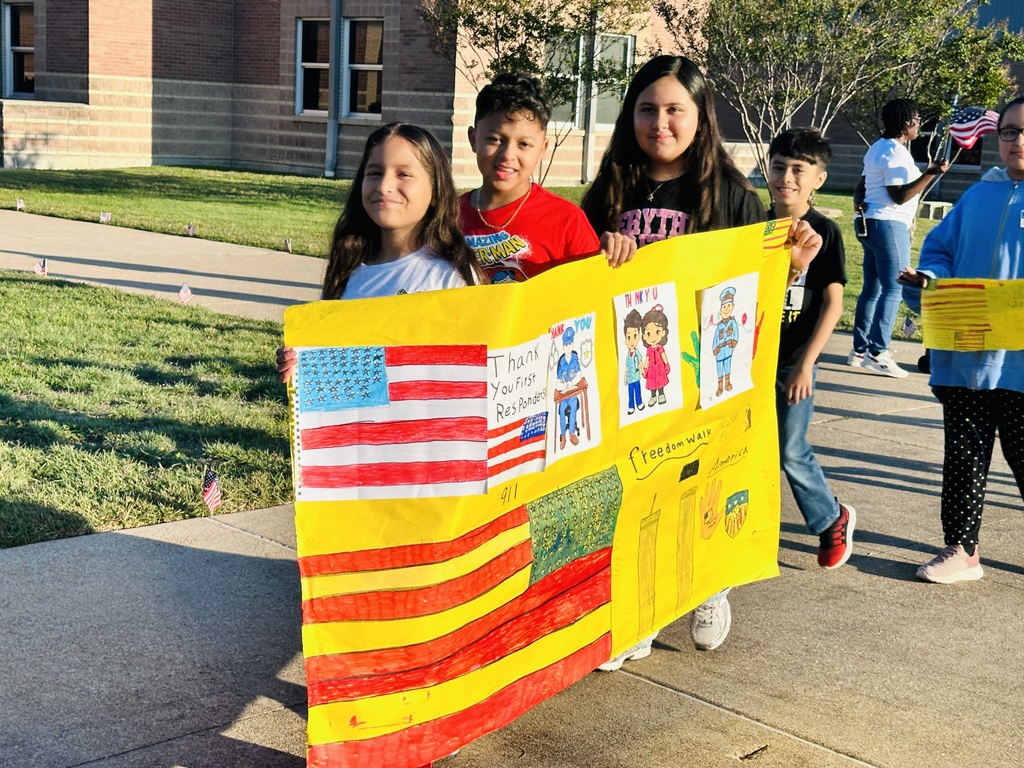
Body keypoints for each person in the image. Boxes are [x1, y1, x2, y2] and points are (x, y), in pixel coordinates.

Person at [582, 55, 822, 668]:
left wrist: (791, 272)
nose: (659, 123)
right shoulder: (608, 190)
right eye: (645, 109)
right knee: (637, 495)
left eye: (673, 111)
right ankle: (641, 612)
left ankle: (709, 583)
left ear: (700, 117)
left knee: (698, 490)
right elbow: (575, 282)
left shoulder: (735, 198)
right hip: (629, 373)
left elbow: (769, 305)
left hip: (703, 377)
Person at [899, 96, 1024, 584]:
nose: (1017, 140)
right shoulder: (977, 195)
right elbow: (940, 250)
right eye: (1010, 131)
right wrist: (929, 278)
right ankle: (962, 549)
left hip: (1018, 365)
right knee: (965, 456)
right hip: (967, 355)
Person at [276, 122, 484, 382]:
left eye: (403, 175)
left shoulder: (451, 277)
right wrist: (302, 363)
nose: (384, 186)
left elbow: (471, 375)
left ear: (435, 190)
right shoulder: (347, 272)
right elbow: (334, 366)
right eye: (374, 172)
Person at [767, 127, 856, 570]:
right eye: (779, 166)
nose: (786, 177)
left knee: (790, 449)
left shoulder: (824, 232)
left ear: (818, 178)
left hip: (794, 362)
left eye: (798, 169)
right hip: (749, 358)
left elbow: (833, 303)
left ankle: (830, 518)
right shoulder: (755, 225)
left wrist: (807, 364)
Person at [460, 72, 634, 283]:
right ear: (473, 139)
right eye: (495, 139)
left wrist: (615, 254)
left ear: (542, 150)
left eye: (524, 144)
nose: (507, 155)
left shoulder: (566, 220)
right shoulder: (446, 217)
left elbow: (594, 292)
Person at [849, 98, 949, 378]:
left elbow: (861, 186)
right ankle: (878, 352)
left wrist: (859, 203)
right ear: (906, 123)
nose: (919, 123)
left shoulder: (877, 148)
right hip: (888, 224)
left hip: (870, 225)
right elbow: (899, 194)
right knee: (894, 288)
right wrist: (931, 173)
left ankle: (858, 350)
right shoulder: (894, 152)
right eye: (916, 118)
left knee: (873, 288)